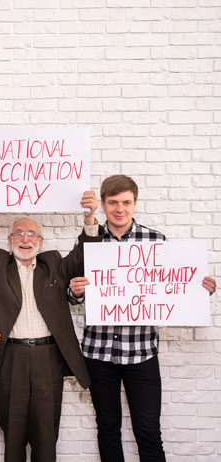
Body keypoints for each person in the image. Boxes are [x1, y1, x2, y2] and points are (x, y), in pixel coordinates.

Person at [68, 175, 217, 462]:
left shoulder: (156, 241)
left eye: (125, 202)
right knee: (108, 429)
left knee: (148, 430)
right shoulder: (90, 241)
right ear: (103, 204)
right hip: (99, 353)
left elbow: (173, 286)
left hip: (142, 352)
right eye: (112, 203)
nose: (119, 209)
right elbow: (72, 294)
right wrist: (74, 291)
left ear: (135, 204)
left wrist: (199, 290)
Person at [0, 190, 100, 462]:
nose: (25, 238)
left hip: (48, 360)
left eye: (31, 234)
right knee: (13, 437)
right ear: (10, 240)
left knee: (47, 438)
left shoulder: (54, 265)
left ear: (40, 241)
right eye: (19, 233)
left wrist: (90, 219)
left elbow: (84, 255)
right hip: (10, 359)